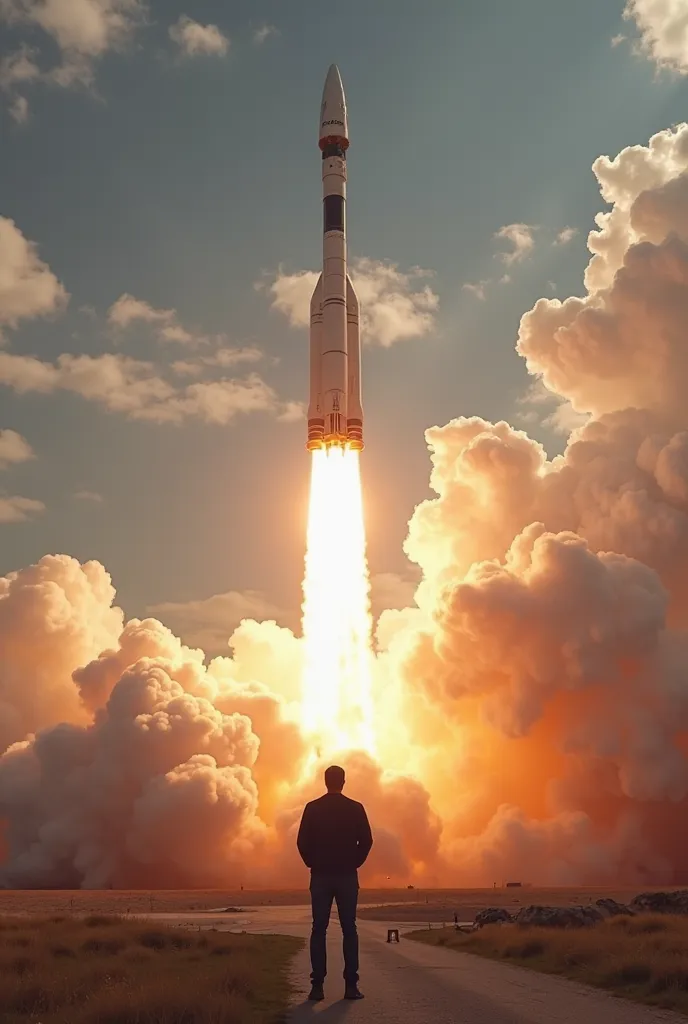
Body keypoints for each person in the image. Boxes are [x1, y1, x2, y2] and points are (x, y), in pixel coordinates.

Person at [297, 764, 373, 1002]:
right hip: (347, 876)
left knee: (318, 929)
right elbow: (367, 841)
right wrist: (354, 863)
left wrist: (313, 863)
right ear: (343, 781)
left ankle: (317, 987)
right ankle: (351, 986)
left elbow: (302, 842)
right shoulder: (355, 808)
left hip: (320, 876)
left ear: (325, 781)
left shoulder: (313, 808)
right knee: (349, 929)